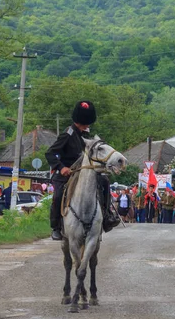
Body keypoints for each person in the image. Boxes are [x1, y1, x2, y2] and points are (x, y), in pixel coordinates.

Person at [45, 100, 121, 241]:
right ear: (82, 121)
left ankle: (107, 216)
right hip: (67, 174)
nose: (89, 125)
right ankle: (55, 227)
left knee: (104, 181)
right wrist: (61, 167)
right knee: (58, 195)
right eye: (87, 122)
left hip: (84, 173)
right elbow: (50, 153)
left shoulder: (84, 137)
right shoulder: (67, 135)